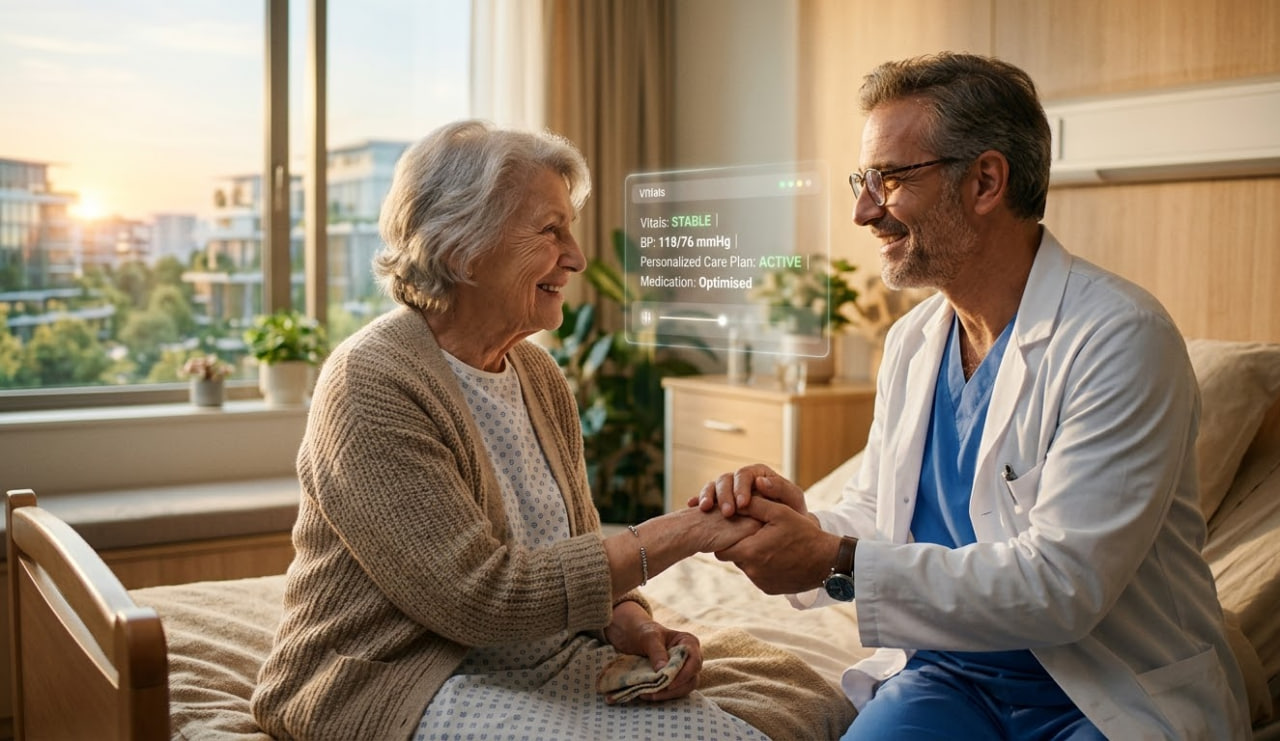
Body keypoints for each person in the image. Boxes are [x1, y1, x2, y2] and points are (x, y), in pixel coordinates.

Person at [699, 53, 1252, 739]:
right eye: (862, 181)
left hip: (1103, 689)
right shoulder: (913, 342)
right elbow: (882, 514)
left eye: (889, 180)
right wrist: (797, 526)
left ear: (986, 181)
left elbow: (1063, 587)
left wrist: (834, 559)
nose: (864, 211)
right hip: (949, 678)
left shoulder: (1120, 337)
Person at [251, 120, 766, 740]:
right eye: (550, 231)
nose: (576, 257)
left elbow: (571, 546)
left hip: (540, 660)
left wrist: (630, 621)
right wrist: (685, 530)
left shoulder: (537, 374)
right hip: (400, 679)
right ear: (461, 248)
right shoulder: (370, 380)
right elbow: (477, 598)